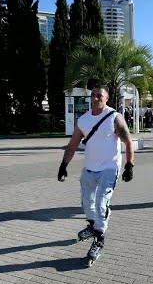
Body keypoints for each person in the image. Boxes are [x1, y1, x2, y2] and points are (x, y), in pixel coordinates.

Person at [57, 86, 135, 266]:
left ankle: (99, 238)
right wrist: (63, 165)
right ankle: (93, 225)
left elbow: (128, 141)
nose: (96, 98)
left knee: (101, 203)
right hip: (89, 169)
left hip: (109, 168)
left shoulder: (114, 117)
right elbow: (73, 145)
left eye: (100, 95)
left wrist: (129, 165)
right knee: (86, 202)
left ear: (107, 98)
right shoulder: (83, 120)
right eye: (93, 95)